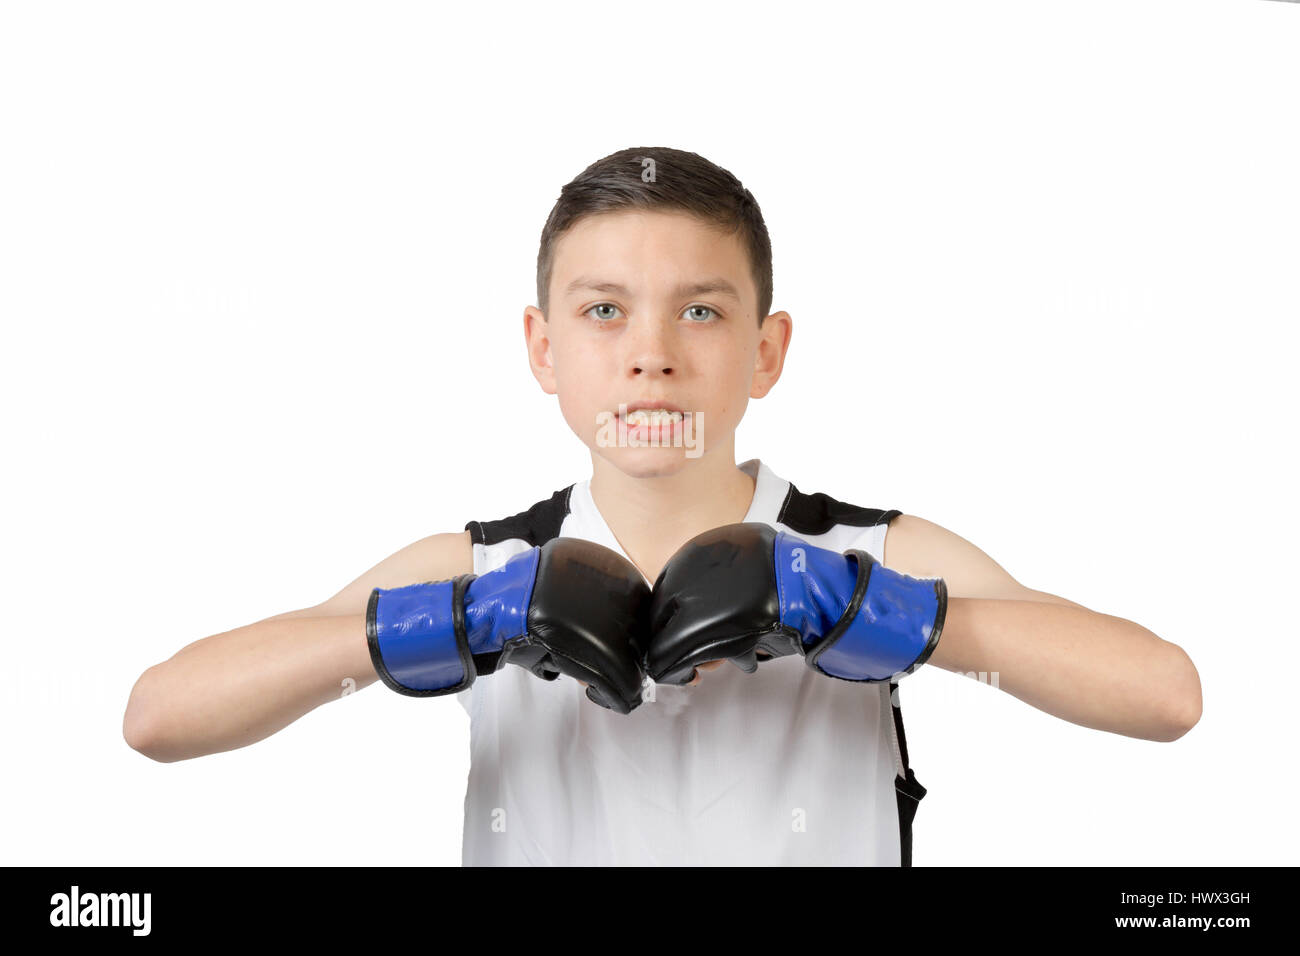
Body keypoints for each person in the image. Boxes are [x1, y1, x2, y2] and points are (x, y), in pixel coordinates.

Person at [123, 146, 1203, 866]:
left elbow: (1162, 693)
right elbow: (161, 716)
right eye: (603, 311)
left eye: (699, 309)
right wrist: (455, 620)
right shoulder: (478, 564)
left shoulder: (865, 548)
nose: (649, 355)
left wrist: (875, 612)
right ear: (543, 349)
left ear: (765, 350)